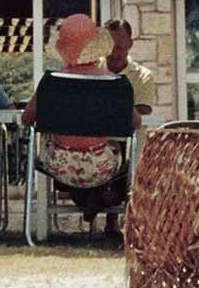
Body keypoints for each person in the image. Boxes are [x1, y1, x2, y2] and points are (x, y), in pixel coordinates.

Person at [21, 12, 130, 237]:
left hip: (60, 165)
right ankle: (97, 200)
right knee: (119, 153)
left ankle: (88, 201)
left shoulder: (51, 82)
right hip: (101, 166)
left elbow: (26, 118)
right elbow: (135, 122)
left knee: (57, 149)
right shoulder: (114, 83)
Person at [105, 18, 154, 128]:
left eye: (119, 47)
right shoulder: (92, 70)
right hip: (97, 144)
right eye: (109, 48)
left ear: (130, 44)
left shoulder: (144, 76)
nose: (114, 54)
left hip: (131, 144)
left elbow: (142, 113)